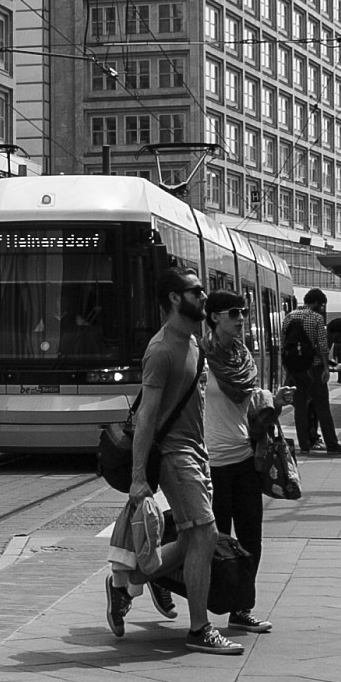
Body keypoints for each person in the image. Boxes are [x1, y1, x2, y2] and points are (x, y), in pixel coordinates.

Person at [112, 267, 245, 654]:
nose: (204, 296)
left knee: (191, 540)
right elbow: (147, 417)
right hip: (174, 454)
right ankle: (200, 629)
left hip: (197, 453)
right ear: (174, 298)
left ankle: (124, 582)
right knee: (205, 533)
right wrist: (139, 479)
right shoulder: (161, 349)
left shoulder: (193, 344)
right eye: (196, 291)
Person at [197, 289, 271, 636]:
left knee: (251, 539)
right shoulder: (200, 357)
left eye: (243, 312)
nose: (241, 318)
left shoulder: (244, 358)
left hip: (243, 459)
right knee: (215, 541)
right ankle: (208, 610)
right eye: (233, 313)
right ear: (214, 318)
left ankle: (242, 608)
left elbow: (250, 409)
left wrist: (275, 404)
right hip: (210, 463)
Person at [284, 287, 341, 455]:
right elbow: (323, 346)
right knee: (322, 407)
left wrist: (288, 371)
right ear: (317, 303)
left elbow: (283, 346)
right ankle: (332, 445)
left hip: (296, 369)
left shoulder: (288, 317)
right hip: (314, 368)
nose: (322, 308)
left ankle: (303, 445)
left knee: (300, 408)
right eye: (322, 305)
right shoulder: (316, 318)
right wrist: (326, 368)